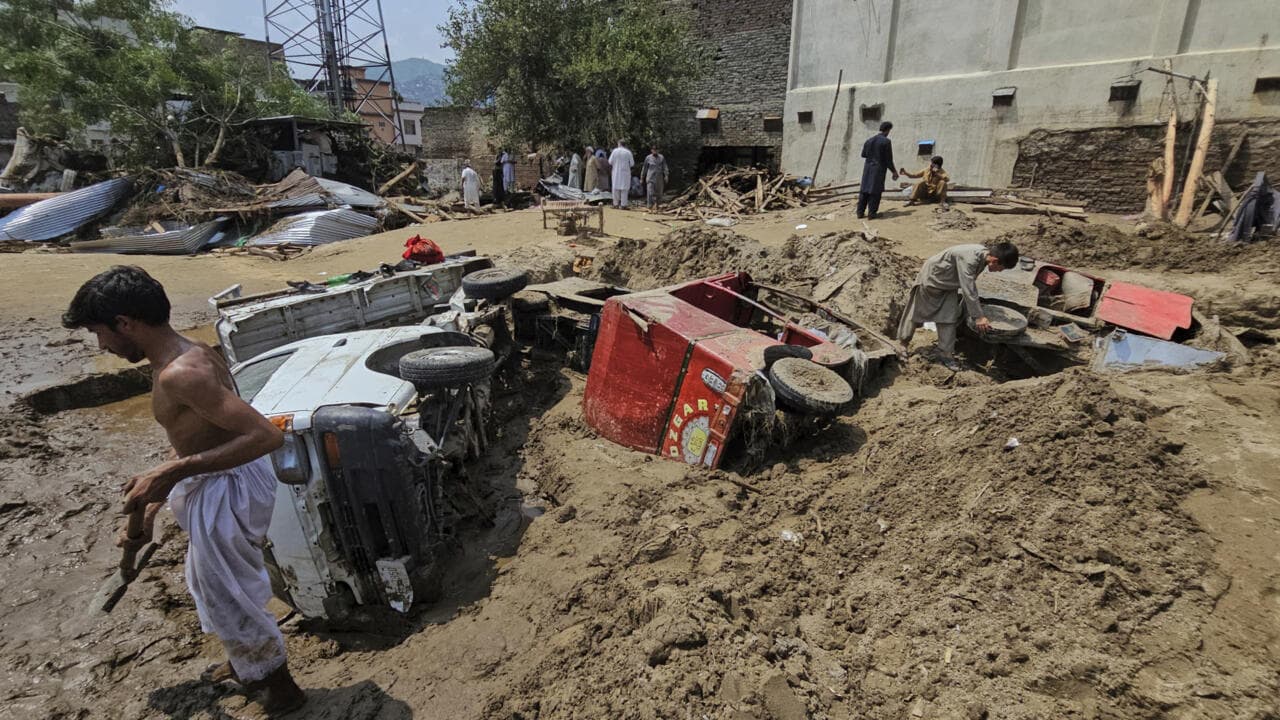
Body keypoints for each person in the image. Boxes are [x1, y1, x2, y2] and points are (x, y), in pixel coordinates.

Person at [62, 266, 306, 713]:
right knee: (208, 581)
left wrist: (172, 472)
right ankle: (246, 663)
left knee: (229, 594)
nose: (101, 347)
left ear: (124, 323)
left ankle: (277, 687)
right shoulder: (185, 352)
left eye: (99, 333)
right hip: (216, 479)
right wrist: (155, 498)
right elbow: (199, 434)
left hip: (229, 486)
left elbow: (266, 436)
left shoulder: (181, 373)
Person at [896, 242, 1020, 369]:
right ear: (995, 260)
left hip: (948, 285)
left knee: (948, 318)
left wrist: (971, 310)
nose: (1000, 271)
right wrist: (978, 316)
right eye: (1002, 268)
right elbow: (968, 288)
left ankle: (945, 354)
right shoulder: (970, 259)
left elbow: (969, 286)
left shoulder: (983, 257)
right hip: (932, 279)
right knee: (916, 311)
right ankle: (902, 344)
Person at [857, 121, 898, 220]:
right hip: (878, 169)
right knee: (875, 191)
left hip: (867, 169)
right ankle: (872, 214)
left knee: (864, 190)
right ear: (888, 130)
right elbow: (888, 160)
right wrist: (894, 171)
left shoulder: (869, 140)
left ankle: (860, 213)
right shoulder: (886, 142)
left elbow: (863, 154)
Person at [608, 140, 635, 209]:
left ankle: (615, 204)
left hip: (616, 173)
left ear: (619, 144)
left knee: (615, 189)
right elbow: (632, 164)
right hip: (625, 174)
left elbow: (610, 162)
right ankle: (623, 205)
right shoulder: (628, 152)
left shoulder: (615, 151)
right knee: (624, 190)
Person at [641, 146, 668, 212]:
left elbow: (665, 167)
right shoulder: (648, 157)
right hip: (650, 177)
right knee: (650, 192)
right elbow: (644, 168)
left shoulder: (661, 157)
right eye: (654, 150)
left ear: (658, 150)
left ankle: (658, 206)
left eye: (656, 150)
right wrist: (642, 177)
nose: (655, 151)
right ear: (651, 150)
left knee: (659, 193)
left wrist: (666, 175)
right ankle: (650, 206)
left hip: (659, 178)